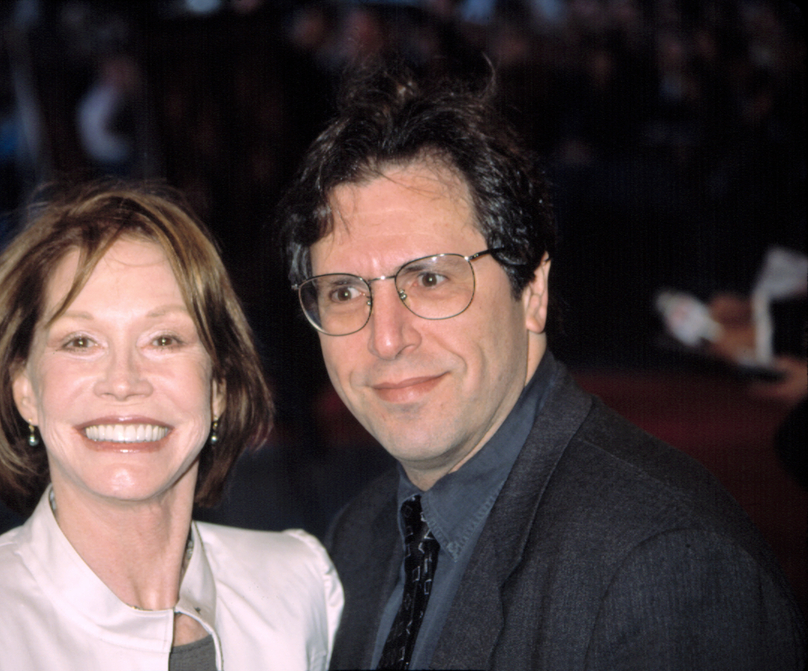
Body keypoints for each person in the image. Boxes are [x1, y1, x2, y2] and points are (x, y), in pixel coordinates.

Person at [276, 59, 806, 670]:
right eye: (344, 292)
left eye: (429, 278)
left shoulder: (665, 566)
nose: (386, 337)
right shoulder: (359, 538)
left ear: (532, 294)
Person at [0, 182, 343, 670]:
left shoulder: (300, 588)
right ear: (25, 390)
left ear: (219, 389)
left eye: (163, 339)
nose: (123, 382)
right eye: (80, 342)